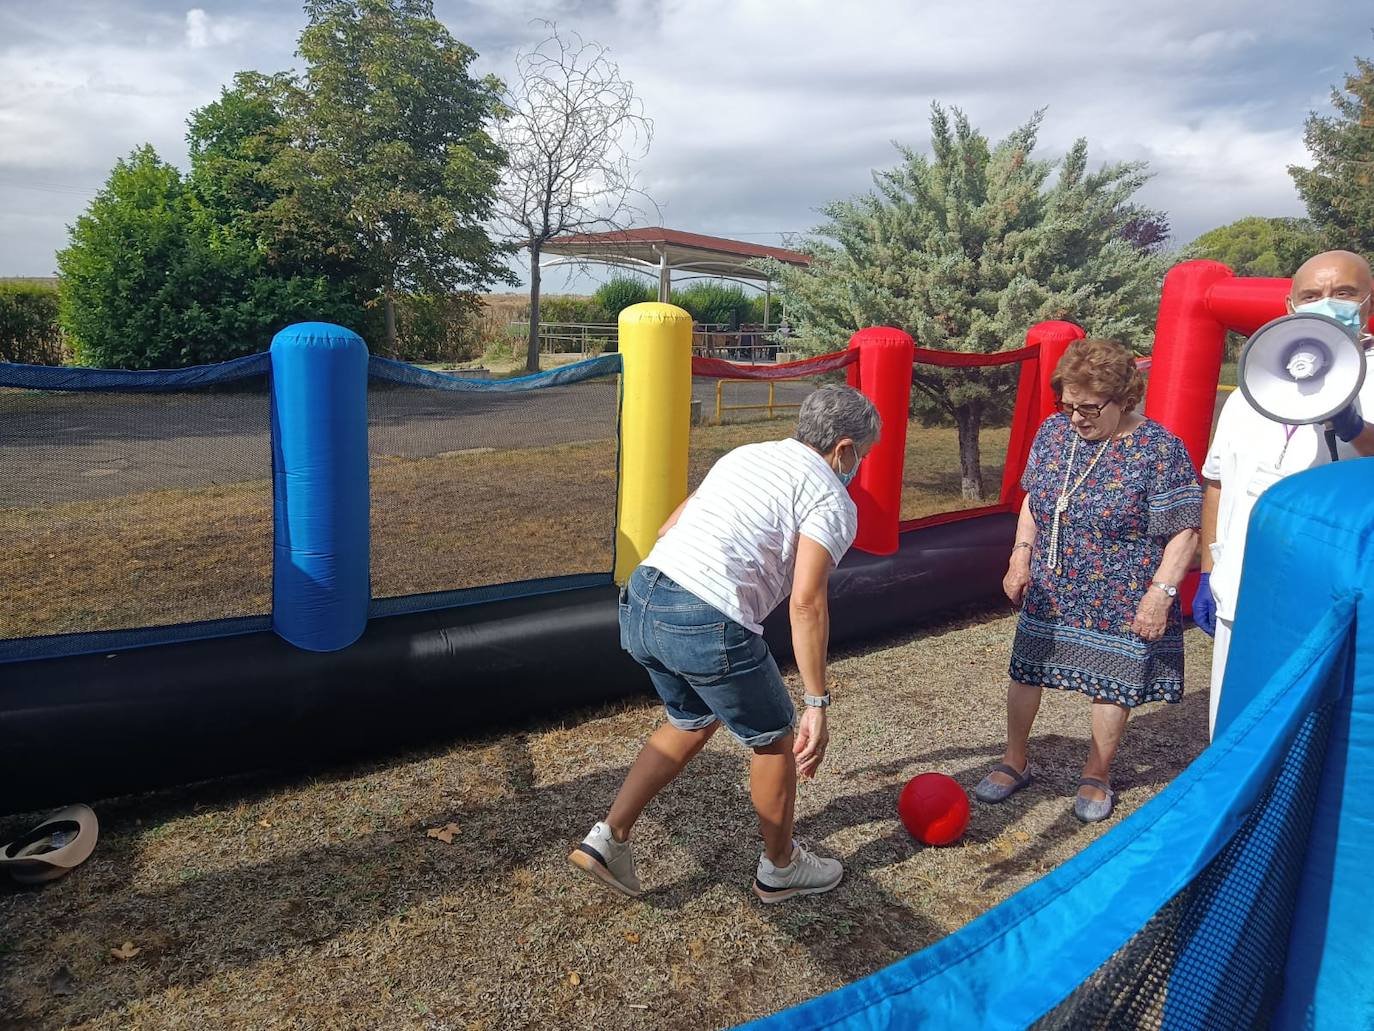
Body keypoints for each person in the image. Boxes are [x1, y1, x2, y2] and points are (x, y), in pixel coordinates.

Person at [570, 384, 881, 903]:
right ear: (844, 450)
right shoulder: (831, 497)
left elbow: (671, 526)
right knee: (775, 737)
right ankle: (780, 869)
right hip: (704, 616)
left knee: (690, 719)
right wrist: (816, 702)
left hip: (645, 595)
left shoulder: (746, 454)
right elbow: (807, 601)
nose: (859, 466)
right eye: (862, 456)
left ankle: (607, 839)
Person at [975, 339, 1201, 822]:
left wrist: (1161, 594)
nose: (1076, 417)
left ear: (1124, 398)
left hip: (1123, 589)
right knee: (1027, 668)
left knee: (1112, 682)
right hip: (1054, 584)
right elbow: (1035, 502)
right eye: (1068, 404)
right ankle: (1015, 761)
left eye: (1089, 407)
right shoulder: (1054, 432)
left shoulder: (1160, 448)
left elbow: (1185, 529)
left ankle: (1097, 772)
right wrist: (1020, 557)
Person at [1194, 250, 1374, 738]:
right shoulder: (1253, 385)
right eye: (1312, 295)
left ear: (1368, 300)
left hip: (1330, 596)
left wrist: (1357, 429)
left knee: (1313, 733)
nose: (1327, 303)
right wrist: (1209, 568)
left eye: (1344, 293)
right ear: (1291, 305)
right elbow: (1217, 481)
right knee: (1235, 725)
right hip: (1239, 586)